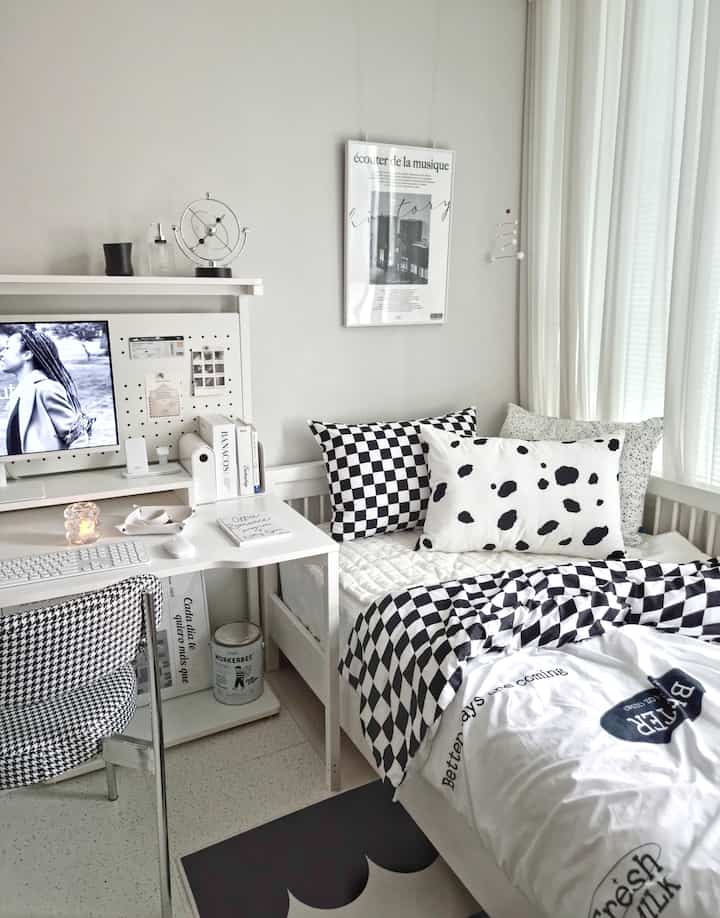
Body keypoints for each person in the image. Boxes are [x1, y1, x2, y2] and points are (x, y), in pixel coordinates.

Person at [0, 327, 92, 454]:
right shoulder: (20, 392)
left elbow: (78, 437)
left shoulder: (46, 388)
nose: (1, 353)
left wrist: (62, 465)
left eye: (7, 348)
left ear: (27, 354)